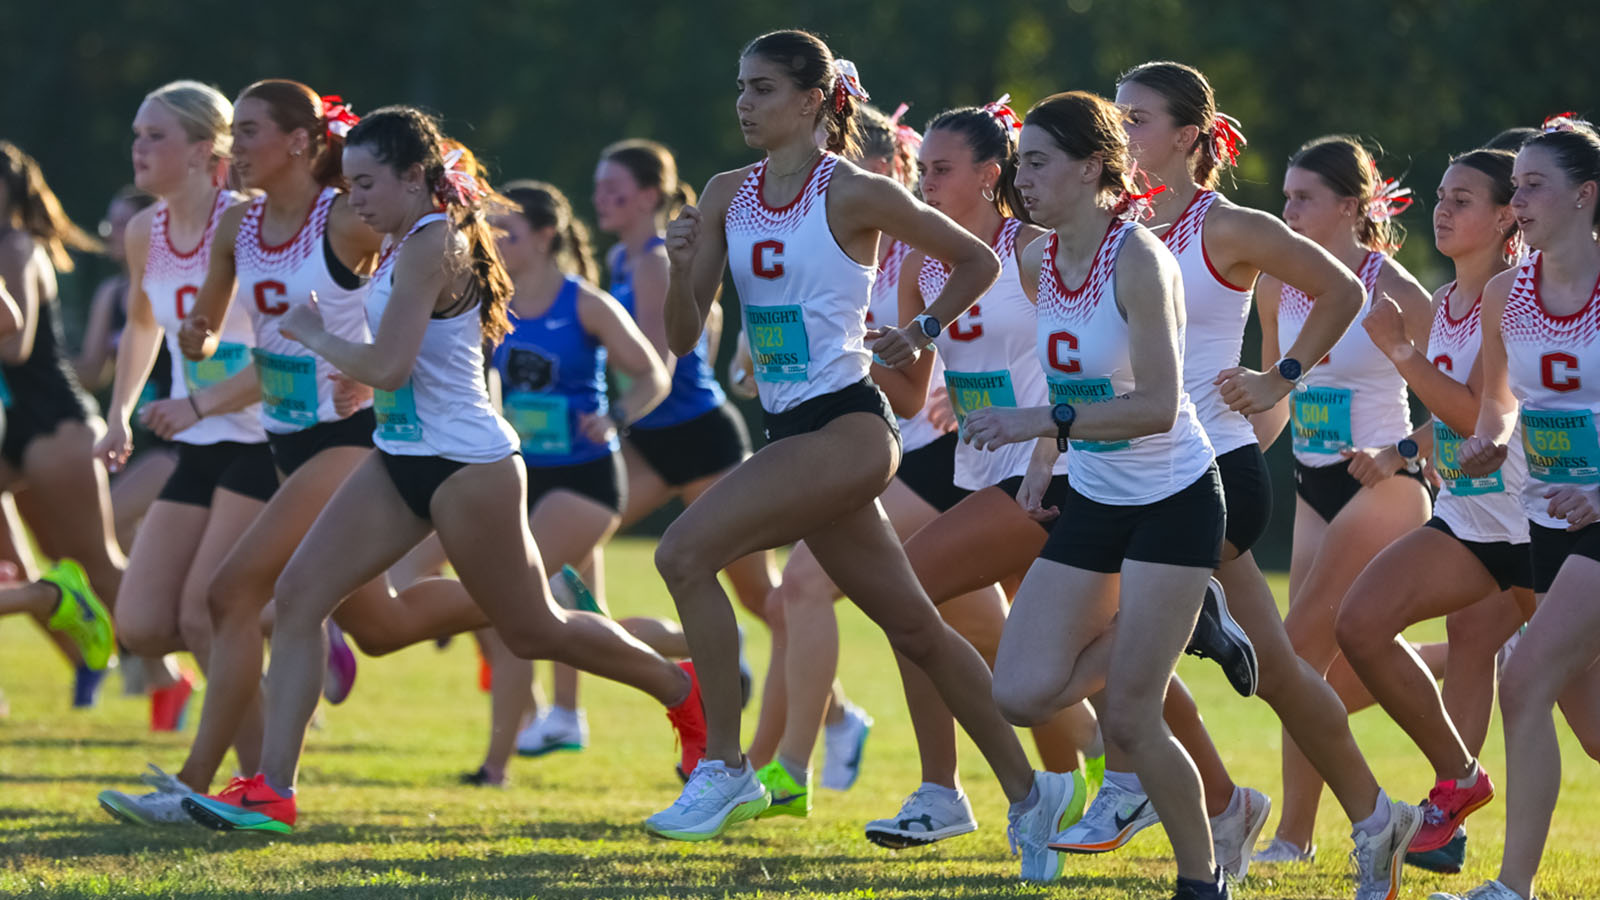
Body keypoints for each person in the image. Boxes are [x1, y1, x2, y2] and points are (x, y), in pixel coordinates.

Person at [179, 107, 708, 834]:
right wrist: (361, 381)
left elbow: (391, 358)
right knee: (300, 596)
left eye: (366, 182)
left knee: (534, 631)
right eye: (349, 182)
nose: (354, 197)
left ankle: (679, 689)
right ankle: (273, 791)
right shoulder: (399, 242)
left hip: (468, 466)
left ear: (413, 177)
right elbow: (405, 359)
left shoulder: (434, 242)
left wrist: (319, 338)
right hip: (401, 456)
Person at [647, 31, 1079, 883]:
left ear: (813, 100)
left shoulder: (853, 189)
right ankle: (1034, 793)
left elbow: (977, 257)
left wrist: (918, 330)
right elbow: (679, 338)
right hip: (792, 435)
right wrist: (683, 266)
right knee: (918, 627)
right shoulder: (727, 193)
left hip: (848, 429)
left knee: (682, 552)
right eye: (740, 87)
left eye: (763, 88)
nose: (743, 103)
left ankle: (726, 767)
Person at [1335, 148, 1533, 870]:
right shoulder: (1450, 300)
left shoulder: (1509, 293)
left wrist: (1397, 351)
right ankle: (1459, 779)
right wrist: (1408, 450)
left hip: (1544, 527)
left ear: (1507, 215)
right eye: (1441, 198)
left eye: (1464, 200)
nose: (1443, 212)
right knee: (1360, 625)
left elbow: (1481, 415)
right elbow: (1451, 424)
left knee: (1583, 722)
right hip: (1473, 523)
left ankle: (1479, 848)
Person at [1252, 135, 1435, 862]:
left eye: (1303, 198)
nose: (1287, 208)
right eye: (1286, 195)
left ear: (1351, 208)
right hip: (1311, 486)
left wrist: (1403, 452)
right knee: (1312, 666)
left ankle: (1310, 832)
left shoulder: (1397, 292)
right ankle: (1297, 836)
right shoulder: (1275, 282)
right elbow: (1274, 397)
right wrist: (1209, 460)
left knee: (1296, 653)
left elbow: (1478, 400)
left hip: (1385, 490)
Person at [1435, 116, 1600, 900]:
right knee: (1594, 730)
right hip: (1546, 516)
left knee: (1523, 679)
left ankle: (1511, 888)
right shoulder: (1509, 291)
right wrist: (1491, 439)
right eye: (1518, 185)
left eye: (1535, 185)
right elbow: (1498, 402)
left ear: (1585, 196)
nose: (1520, 199)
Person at [470, 178, 670, 783]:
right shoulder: (489, 301)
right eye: (490, 229)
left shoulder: (585, 303)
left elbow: (653, 376)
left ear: (545, 235)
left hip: (587, 483)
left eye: (507, 231)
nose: (495, 241)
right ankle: (700, 652)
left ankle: (496, 766)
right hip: (523, 479)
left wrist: (614, 415)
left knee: (507, 605)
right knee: (579, 616)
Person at [0, 140, 127, 708]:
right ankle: (88, 667)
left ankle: (220, 664)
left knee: (95, 565)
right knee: (17, 566)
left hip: (52, 421)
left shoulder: (17, 247)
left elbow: (18, 340)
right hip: (11, 427)